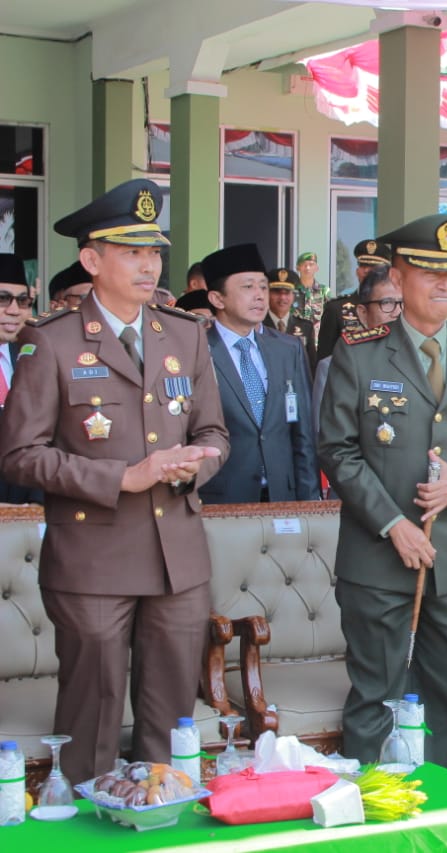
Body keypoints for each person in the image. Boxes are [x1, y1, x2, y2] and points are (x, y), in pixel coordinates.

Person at [0, 179, 228, 783]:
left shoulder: (184, 335)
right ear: (92, 260)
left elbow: (214, 433)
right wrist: (122, 476)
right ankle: (81, 826)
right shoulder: (50, 342)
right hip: (93, 559)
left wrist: (196, 464)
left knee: (170, 719)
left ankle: (159, 823)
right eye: (132, 252)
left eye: (154, 252)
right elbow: (20, 455)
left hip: (177, 559)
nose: (149, 265)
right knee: (92, 717)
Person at [318, 212, 447, 772]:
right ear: (397, 280)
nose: (446, 286)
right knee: (376, 698)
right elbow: (337, 450)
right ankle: (376, 820)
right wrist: (393, 523)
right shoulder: (359, 352)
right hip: (378, 559)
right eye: (430, 273)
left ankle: (444, 815)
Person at [200, 244, 318, 504]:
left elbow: (303, 436)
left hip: (281, 496)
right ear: (217, 299)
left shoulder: (288, 349)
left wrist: (309, 503)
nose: (260, 296)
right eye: (247, 287)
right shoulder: (196, 351)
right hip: (221, 500)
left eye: (263, 287)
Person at [312, 264, 401, 436]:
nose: (397, 312)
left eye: (403, 303)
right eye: (387, 303)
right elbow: (327, 439)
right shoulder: (333, 367)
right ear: (362, 313)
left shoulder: (427, 363)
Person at [0, 254, 41, 504]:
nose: (14, 310)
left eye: (23, 300)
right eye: (3, 299)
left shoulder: (34, 357)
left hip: (28, 506)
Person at [317, 239, 391, 361]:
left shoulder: (395, 309)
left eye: (373, 266)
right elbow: (324, 361)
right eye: (363, 265)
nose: (367, 270)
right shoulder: (336, 309)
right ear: (357, 271)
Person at [266, 267, 318, 370]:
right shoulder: (257, 326)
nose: (282, 298)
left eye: (287, 293)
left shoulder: (305, 327)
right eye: (277, 292)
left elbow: (312, 366)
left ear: (293, 296)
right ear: (268, 294)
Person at [293, 251, 328, 325]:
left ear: (317, 268)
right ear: (297, 268)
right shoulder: (291, 290)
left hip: (317, 335)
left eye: (311, 265)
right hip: (295, 334)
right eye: (304, 265)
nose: (307, 268)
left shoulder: (324, 291)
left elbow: (330, 316)